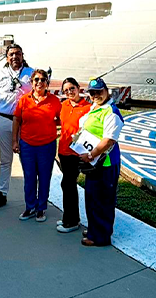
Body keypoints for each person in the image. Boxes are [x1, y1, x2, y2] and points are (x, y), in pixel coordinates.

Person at [0, 44, 33, 209]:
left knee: (27, 160)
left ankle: (32, 196)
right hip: (4, 119)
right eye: (11, 54)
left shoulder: (31, 73)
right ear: (6, 57)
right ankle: (1, 193)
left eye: (18, 54)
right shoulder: (0, 74)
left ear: (22, 55)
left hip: (25, 122)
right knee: (5, 159)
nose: (15, 57)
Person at [78, 78, 123, 247]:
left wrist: (90, 155)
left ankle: (101, 237)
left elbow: (109, 140)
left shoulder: (111, 112)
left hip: (104, 163)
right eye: (92, 92)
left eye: (99, 91)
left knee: (103, 200)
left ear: (106, 91)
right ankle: (94, 229)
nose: (96, 95)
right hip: (95, 162)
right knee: (92, 197)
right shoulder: (96, 108)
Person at [12, 69, 61, 223]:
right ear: (32, 83)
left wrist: (56, 131)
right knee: (29, 177)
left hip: (47, 145)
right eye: (36, 80)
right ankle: (30, 206)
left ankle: (41, 208)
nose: (39, 82)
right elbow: (17, 120)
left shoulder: (54, 101)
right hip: (27, 144)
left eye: (43, 80)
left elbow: (61, 119)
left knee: (45, 177)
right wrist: (15, 140)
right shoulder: (24, 100)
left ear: (47, 83)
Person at [56, 77, 90, 233]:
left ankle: (72, 221)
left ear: (78, 88)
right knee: (67, 185)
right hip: (63, 151)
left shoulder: (88, 108)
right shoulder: (63, 105)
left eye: (72, 88)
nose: (69, 92)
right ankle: (68, 217)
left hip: (77, 153)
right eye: (66, 90)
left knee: (68, 184)